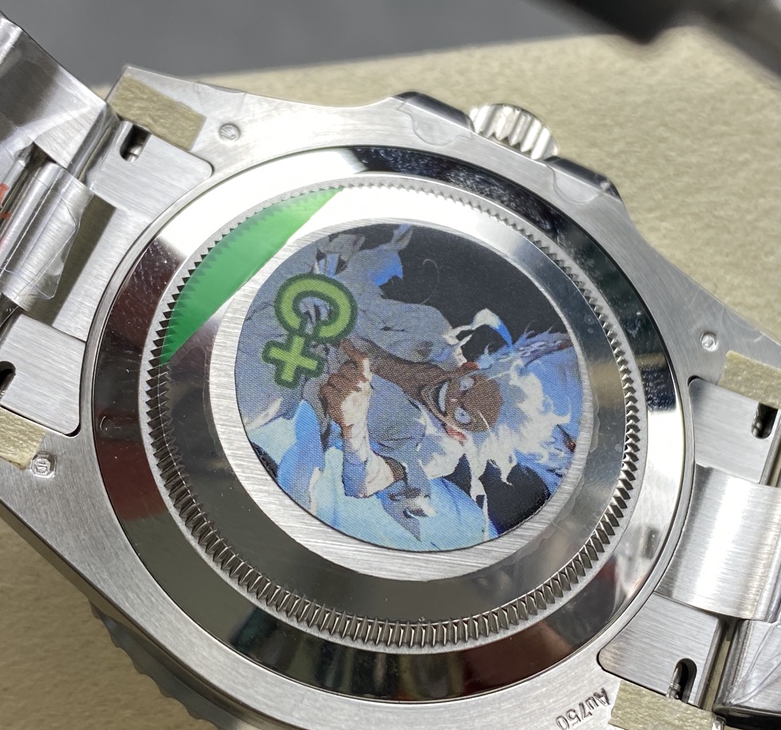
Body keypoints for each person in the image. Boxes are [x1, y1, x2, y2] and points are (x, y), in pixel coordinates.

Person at [237, 225, 581, 551]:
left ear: (461, 431)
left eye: (464, 414)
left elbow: (367, 481)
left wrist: (352, 424)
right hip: (293, 308)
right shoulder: (432, 329)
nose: (455, 398)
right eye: (466, 387)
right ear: (471, 368)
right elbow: (358, 296)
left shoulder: (440, 451)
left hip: (286, 384)